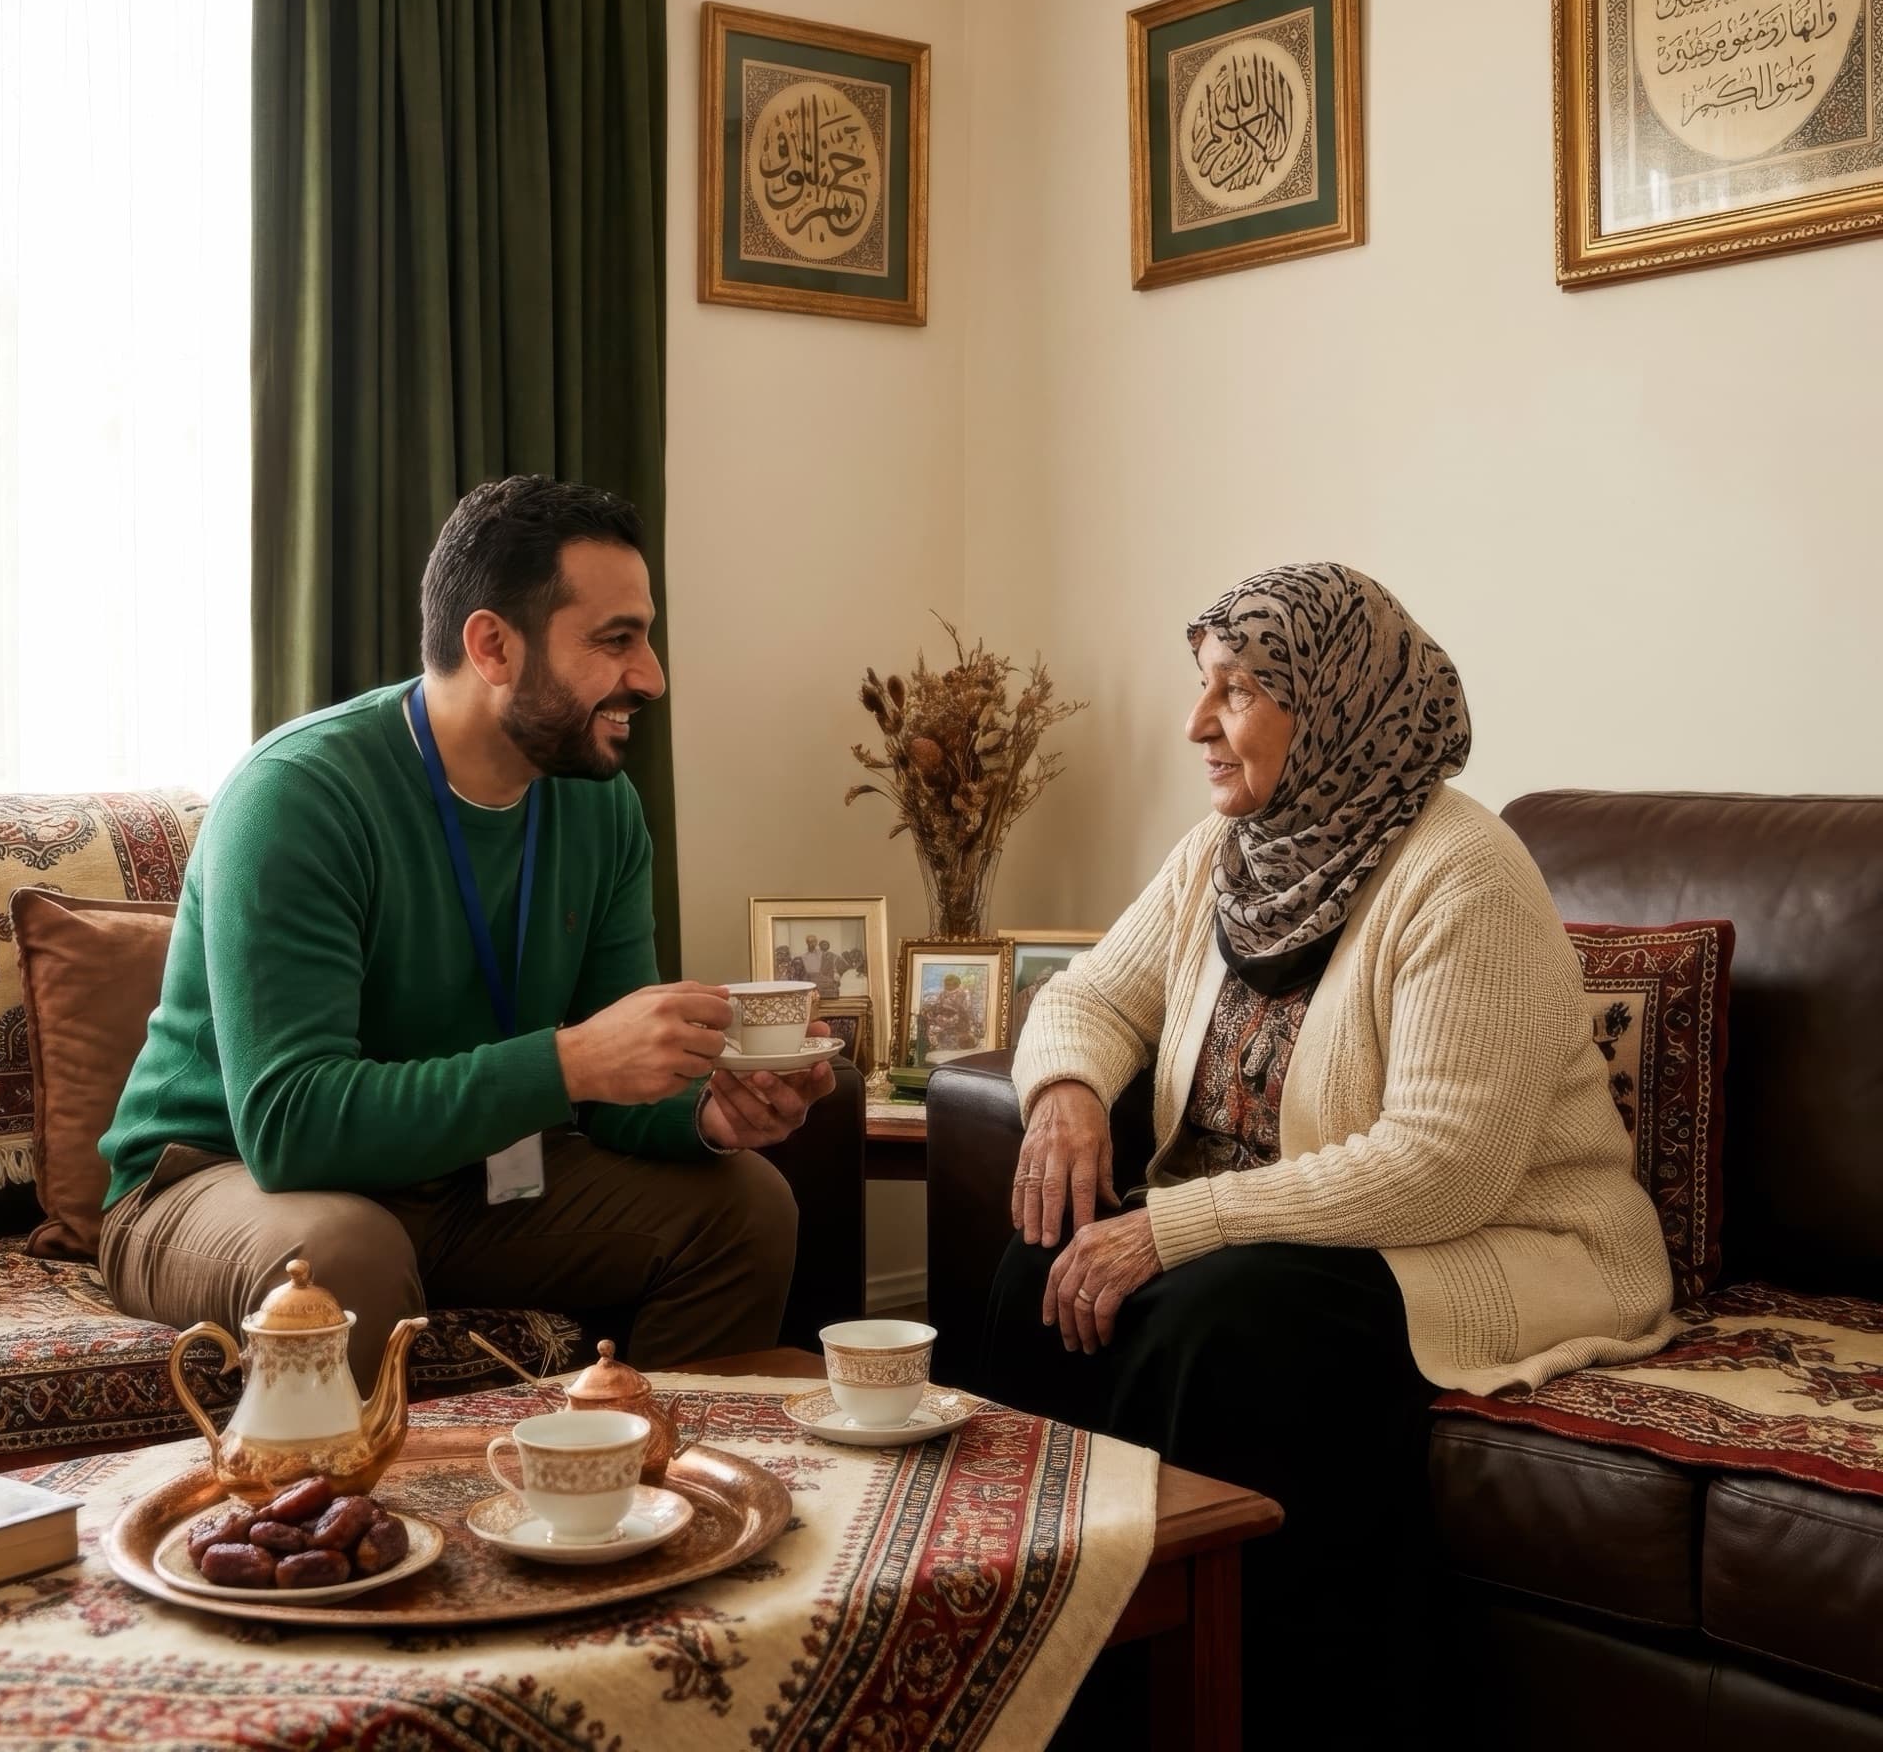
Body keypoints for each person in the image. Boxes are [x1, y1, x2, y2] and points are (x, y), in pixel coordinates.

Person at [978, 562, 1676, 1738]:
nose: (1197, 722)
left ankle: (1217, 1704)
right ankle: (1031, 1688)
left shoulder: (1464, 871)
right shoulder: (1228, 850)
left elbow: (1440, 1161)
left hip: (1496, 1240)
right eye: (1202, 684)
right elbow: (1090, 993)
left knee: (1222, 1323)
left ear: (1338, 702)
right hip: (1297, 1237)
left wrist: (1172, 1223)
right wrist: (1062, 1097)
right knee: (1031, 1265)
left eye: (1239, 690)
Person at [98, 477, 836, 1390]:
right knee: (339, 1254)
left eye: (645, 637)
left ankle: (653, 1500)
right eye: (615, 641)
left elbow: (614, 1085)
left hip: (462, 1182)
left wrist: (705, 1110)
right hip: (220, 1180)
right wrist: (569, 1063)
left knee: (745, 1204)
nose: (650, 677)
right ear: (491, 644)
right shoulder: (300, 795)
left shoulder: (601, 808)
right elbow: (291, 1126)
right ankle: (347, 1530)